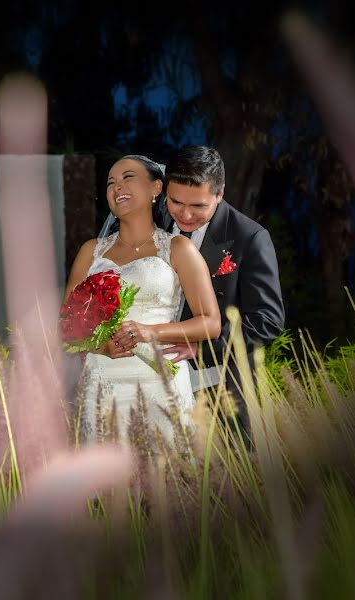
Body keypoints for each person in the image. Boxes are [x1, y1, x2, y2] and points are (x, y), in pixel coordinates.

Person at [64, 155, 220, 448]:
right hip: (101, 385)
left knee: (168, 483)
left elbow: (210, 323)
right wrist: (102, 347)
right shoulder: (91, 252)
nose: (117, 186)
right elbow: (66, 329)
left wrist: (151, 332)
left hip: (159, 386)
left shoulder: (177, 248)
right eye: (111, 182)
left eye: (128, 177)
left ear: (156, 188)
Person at [157, 146, 285, 438]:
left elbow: (268, 320)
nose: (185, 215)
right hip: (157, 384)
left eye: (198, 206)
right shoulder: (157, 222)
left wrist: (201, 350)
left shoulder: (250, 238)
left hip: (222, 388)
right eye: (176, 202)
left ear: (220, 193)